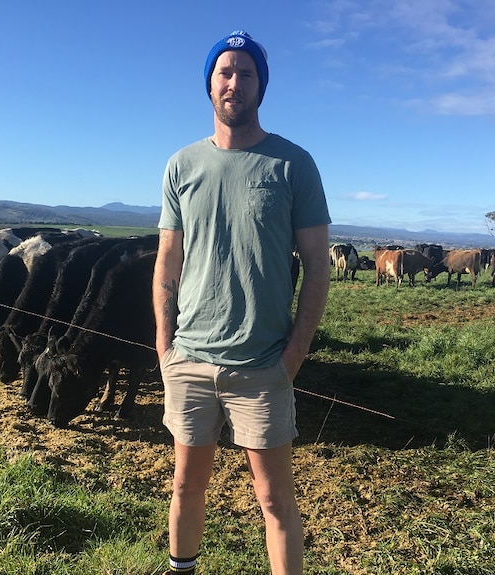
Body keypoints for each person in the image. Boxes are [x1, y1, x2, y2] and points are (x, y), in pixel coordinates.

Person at [152, 30, 331, 575]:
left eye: (246, 73)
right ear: (209, 85)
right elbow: (167, 263)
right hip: (188, 359)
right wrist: (164, 347)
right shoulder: (181, 165)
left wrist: (295, 352)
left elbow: (319, 266)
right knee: (186, 484)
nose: (234, 82)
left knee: (275, 500)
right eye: (224, 72)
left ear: (261, 86)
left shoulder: (293, 164)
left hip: (263, 365)